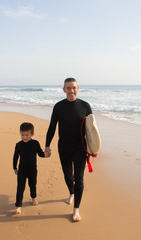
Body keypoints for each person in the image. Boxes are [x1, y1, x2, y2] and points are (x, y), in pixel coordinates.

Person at [45, 78, 92, 222]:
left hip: (80, 148)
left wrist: (93, 149)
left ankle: (76, 209)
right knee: (67, 175)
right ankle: (71, 193)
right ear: (64, 90)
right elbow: (52, 126)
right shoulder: (59, 106)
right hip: (64, 147)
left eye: (74, 87)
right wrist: (47, 145)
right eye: (68, 88)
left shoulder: (85, 106)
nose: (71, 90)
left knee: (79, 178)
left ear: (78, 88)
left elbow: (91, 130)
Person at [13, 122, 46, 214]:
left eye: (27, 135)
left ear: (32, 134)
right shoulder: (18, 145)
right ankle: (18, 205)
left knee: (32, 185)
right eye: (22, 135)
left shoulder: (35, 143)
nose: (24, 137)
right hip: (22, 170)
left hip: (32, 170)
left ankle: (33, 197)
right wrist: (14, 167)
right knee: (20, 187)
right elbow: (15, 157)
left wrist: (45, 155)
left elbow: (40, 154)